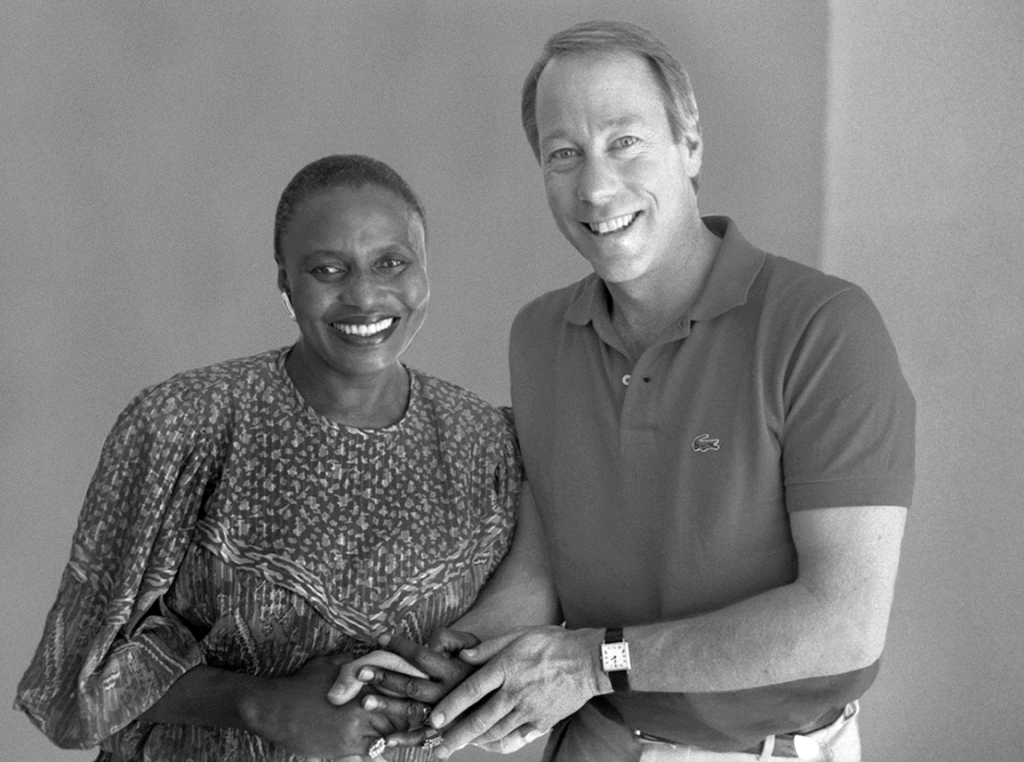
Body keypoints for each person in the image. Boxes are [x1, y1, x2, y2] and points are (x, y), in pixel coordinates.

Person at [364, 20, 915, 762]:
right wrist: (451, 668)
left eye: (625, 141)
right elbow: (546, 560)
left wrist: (595, 661)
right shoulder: (539, 336)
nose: (595, 186)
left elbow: (843, 622)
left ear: (690, 145)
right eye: (565, 154)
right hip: (595, 741)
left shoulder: (824, 327)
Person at [14, 154, 554, 761]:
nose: (365, 295)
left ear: (425, 272)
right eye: (327, 269)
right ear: (285, 284)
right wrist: (261, 704)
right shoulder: (185, 425)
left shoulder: (488, 445)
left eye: (391, 263)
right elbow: (76, 677)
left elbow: (516, 633)